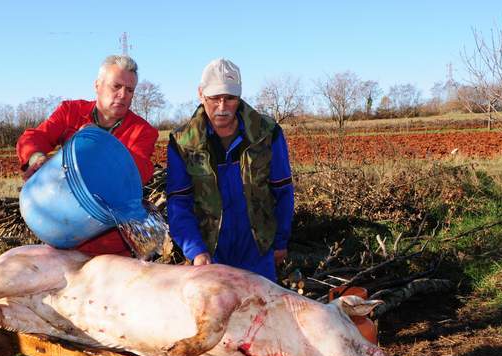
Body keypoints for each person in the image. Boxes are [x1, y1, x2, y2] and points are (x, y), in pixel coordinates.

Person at [16, 54, 159, 257]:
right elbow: (34, 136)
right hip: (60, 227)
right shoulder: (71, 112)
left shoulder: (142, 131)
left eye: (129, 90)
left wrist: (100, 148)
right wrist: (35, 157)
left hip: (110, 243)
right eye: (115, 86)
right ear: (97, 85)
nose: (122, 94)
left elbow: (139, 172)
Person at [166, 58, 294, 282]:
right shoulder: (183, 142)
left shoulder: (267, 133)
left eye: (230, 99)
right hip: (210, 253)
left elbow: (282, 190)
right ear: (201, 94)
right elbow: (179, 202)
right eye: (215, 98)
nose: (223, 107)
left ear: (239, 96)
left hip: (258, 250)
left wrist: (280, 241)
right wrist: (195, 250)